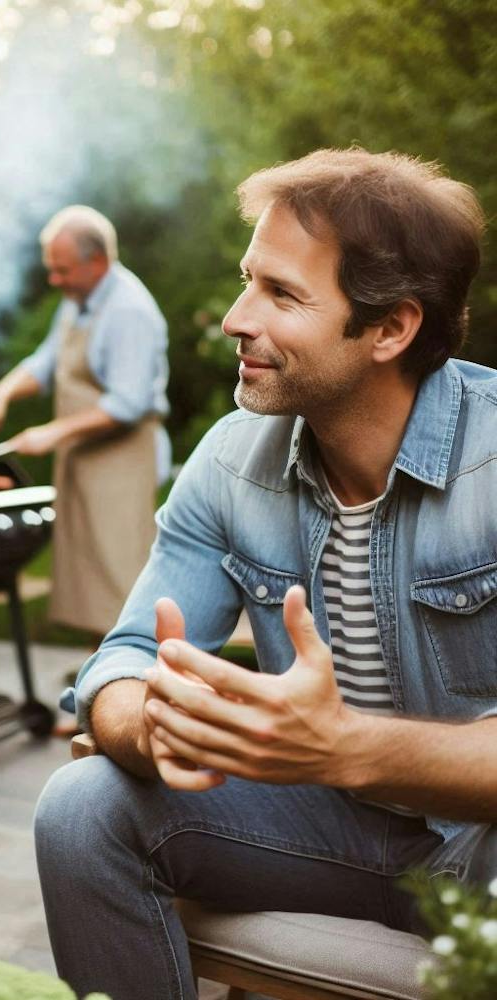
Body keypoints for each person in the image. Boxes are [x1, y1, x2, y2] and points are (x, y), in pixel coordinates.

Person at [34, 148, 496, 1000]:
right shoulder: (231, 460)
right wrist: (155, 724)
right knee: (82, 805)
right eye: (250, 281)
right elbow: (124, 658)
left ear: (391, 328)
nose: (236, 318)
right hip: (331, 834)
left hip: (485, 848)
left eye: (282, 295)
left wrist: (347, 747)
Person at [0, 206, 170, 638]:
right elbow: (45, 363)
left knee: (122, 581)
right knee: (91, 584)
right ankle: (98, 681)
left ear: (95, 262)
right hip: (87, 461)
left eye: (62, 270)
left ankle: (136, 687)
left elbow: (129, 403)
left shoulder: (128, 311)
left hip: (121, 464)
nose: (54, 280)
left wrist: (51, 433)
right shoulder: (77, 302)